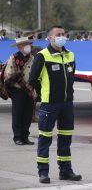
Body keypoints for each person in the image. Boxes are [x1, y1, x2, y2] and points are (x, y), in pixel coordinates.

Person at [29, 25, 82, 183]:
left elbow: (72, 76)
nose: (62, 37)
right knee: (45, 138)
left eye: (63, 34)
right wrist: (45, 93)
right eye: (58, 34)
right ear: (50, 37)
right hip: (49, 104)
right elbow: (33, 79)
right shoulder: (42, 56)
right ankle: (43, 172)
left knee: (65, 139)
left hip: (67, 104)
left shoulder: (70, 55)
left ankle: (66, 171)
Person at [3, 36, 36, 145]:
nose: (28, 46)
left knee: (28, 114)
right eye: (25, 44)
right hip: (18, 89)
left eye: (29, 44)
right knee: (18, 113)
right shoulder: (14, 58)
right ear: (19, 46)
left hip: (30, 90)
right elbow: (9, 75)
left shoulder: (33, 58)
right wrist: (19, 80)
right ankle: (17, 137)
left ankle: (25, 136)